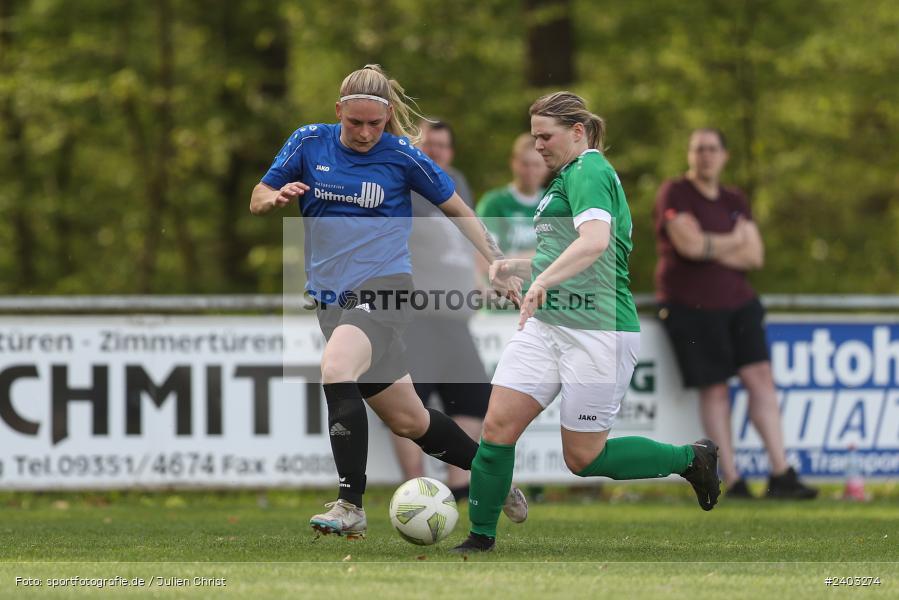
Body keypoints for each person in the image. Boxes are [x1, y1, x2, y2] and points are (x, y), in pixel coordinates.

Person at [249, 64, 528, 539]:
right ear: (339, 111)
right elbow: (258, 194)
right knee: (409, 419)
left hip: (387, 287)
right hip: (331, 298)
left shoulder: (402, 154)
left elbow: (457, 209)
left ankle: (349, 504)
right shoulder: (307, 142)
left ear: (389, 116)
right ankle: (493, 477)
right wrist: (273, 198)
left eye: (373, 124)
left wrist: (495, 260)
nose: (363, 133)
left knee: (336, 368)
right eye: (353, 122)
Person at [452, 92, 721, 554]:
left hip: (598, 330)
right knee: (496, 429)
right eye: (534, 136)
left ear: (577, 132)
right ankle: (480, 538)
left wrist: (542, 282)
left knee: (584, 458)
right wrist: (518, 267)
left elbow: (595, 242)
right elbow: (566, 253)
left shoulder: (591, 170)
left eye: (545, 136)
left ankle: (692, 459)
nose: (537, 145)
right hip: (546, 327)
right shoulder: (568, 177)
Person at [653, 128, 817, 500]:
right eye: (698, 149)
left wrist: (709, 242)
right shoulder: (675, 192)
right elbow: (689, 246)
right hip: (692, 307)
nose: (705, 156)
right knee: (716, 390)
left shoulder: (735, 198)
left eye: (712, 149)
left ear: (724, 155)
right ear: (689, 155)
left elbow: (754, 256)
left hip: (739, 303)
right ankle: (732, 477)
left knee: (760, 377)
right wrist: (731, 239)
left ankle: (781, 473)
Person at [390, 119, 492, 501]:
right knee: (406, 401)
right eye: (429, 144)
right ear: (415, 146)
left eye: (444, 146)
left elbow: (467, 237)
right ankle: (414, 486)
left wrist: (482, 276)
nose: (437, 152)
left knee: (473, 397)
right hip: (415, 314)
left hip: (455, 315)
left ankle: (460, 483)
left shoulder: (455, 181)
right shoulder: (403, 183)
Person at [476, 133, 550, 262]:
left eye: (537, 164)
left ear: (547, 166)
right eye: (525, 164)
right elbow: (485, 256)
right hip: (507, 280)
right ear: (514, 163)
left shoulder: (554, 202)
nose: (531, 171)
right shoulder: (494, 203)